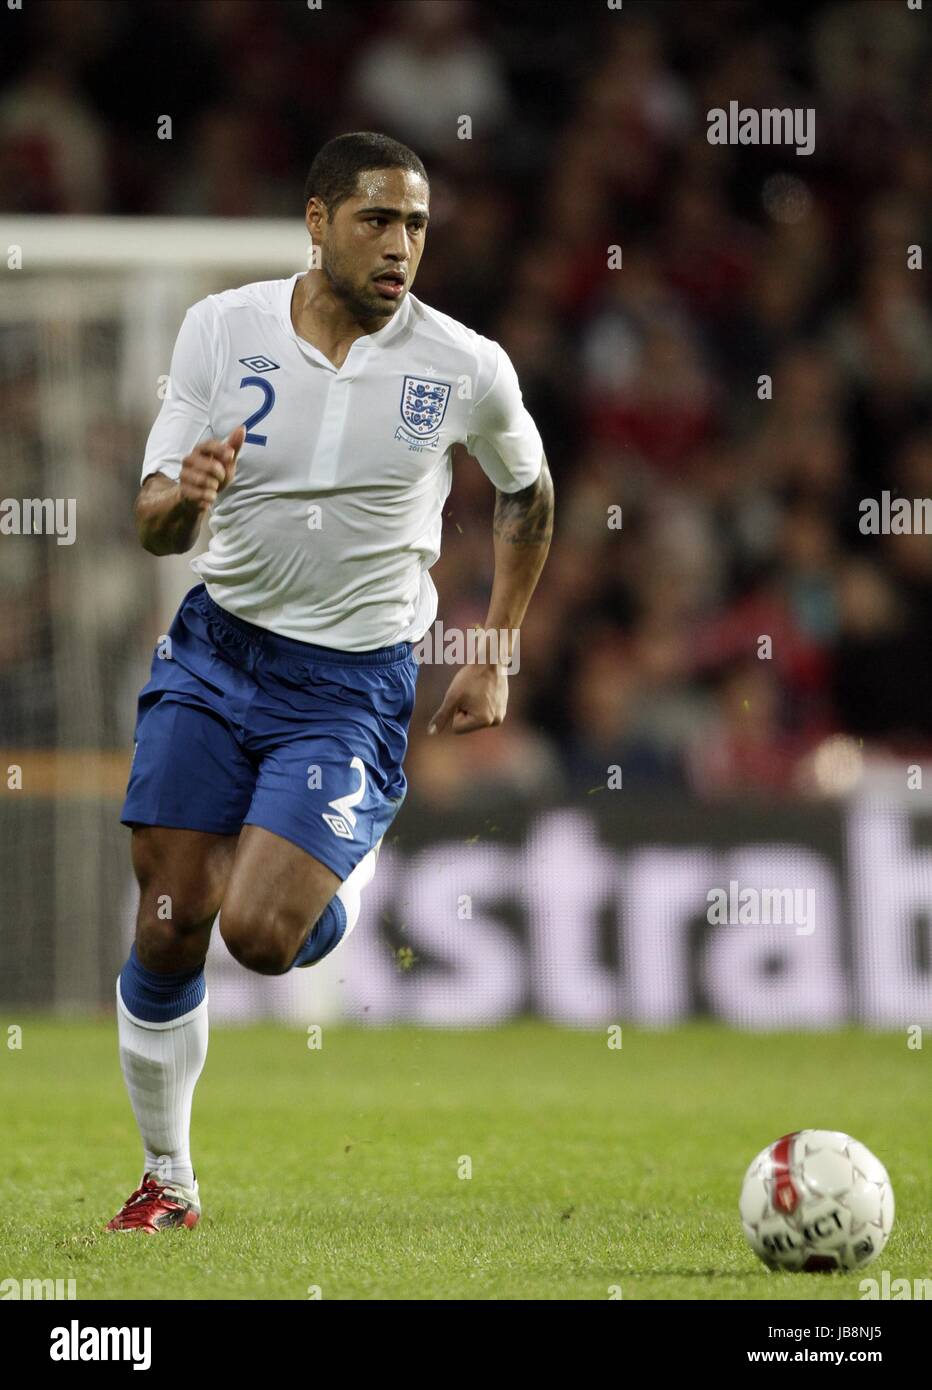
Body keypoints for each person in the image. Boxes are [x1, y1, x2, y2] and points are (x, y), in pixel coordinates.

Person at [107, 132, 553, 1232]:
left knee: (260, 936)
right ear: (316, 221)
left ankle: (329, 881)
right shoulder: (223, 329)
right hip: (215, 651)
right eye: (376, 220)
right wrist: (189, 494)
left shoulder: (462, 364)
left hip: (348, 684)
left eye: (415, 225)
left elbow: (526, 491)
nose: (400, 245)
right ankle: (169, 1180)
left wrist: (494, 644)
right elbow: (155, 523)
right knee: (170, 917)